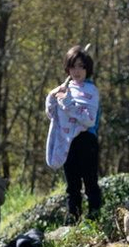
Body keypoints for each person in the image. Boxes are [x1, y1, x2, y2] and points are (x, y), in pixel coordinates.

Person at [44, 46, 102, 222]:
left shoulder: (91, 91)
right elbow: (52, 114)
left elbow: (88, 119)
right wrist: (52, 97)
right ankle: (73, 219)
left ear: (87, 69)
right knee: (72, 185)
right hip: (66, 141)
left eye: (81, 66)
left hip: (86, 141)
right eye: (73, 66)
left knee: (90, 182)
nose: (77, 71)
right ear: (67, 68)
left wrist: (67, 102)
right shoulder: (64, 88)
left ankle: (95, 218)